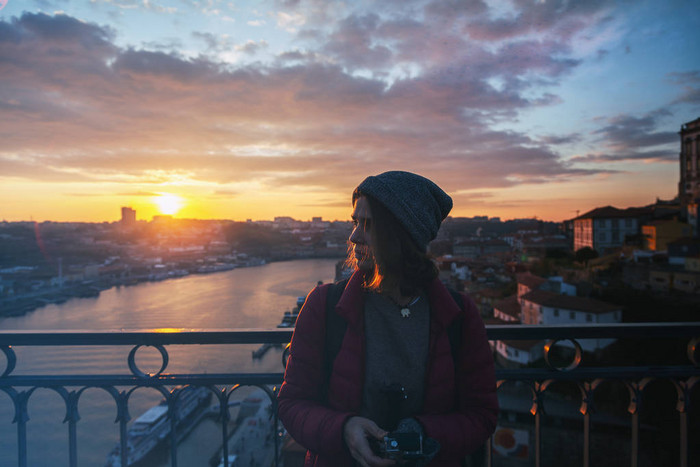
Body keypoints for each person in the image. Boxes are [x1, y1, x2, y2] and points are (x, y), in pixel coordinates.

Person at [278, 171, 498, 467]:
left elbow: (481, 415)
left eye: (367, 224)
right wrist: (344, 429)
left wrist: (425, 434)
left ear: (401, 234)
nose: (353, 235)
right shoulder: (323, 306)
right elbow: (292, 403)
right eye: (355, 222)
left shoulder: (460, 316)